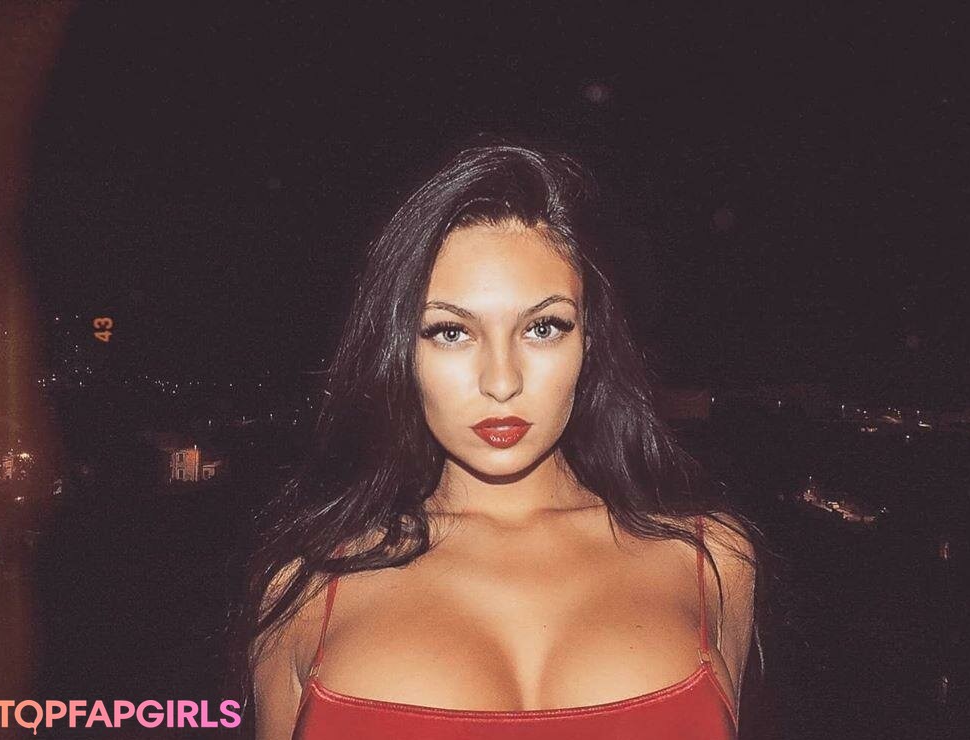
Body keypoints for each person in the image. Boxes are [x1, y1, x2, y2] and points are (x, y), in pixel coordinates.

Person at [229, 142, 770, 739]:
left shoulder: (712, 560)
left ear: (589, 341)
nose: (502, 381)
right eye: (451, 331)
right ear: (400, 351)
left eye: (543, 327)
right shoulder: (303, 587)